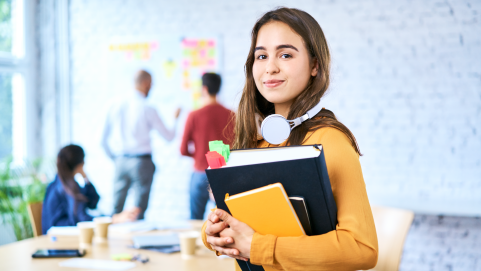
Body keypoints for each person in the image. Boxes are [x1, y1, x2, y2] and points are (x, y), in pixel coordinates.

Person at [202, 8, 378, 271]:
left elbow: (363, 250)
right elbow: (238, 226)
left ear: (315, 65)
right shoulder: (252, 141)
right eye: (261, 56)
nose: (270, 67)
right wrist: (213, 232)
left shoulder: (331, 141)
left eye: (285, 55)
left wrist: (258, 247)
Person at [101, 70, 180, 220]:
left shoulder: (114, 104)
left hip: (120, 160)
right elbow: (169, 137)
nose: (151, 87)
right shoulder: (147, 107)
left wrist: (116, 159)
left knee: (116, 212)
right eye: (151, 84)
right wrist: (175, 119)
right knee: (138, 212)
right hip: (142, 163)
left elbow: (102, 141)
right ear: (145, 83)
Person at [42, 145, 140, 234]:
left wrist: (85, 177)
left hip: (61, 238)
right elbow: (82, 219)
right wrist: (113, 219)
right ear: (80, 164)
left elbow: (93, 202)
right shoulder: (64, 188)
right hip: (60, 240)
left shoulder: (63, 184)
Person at [180, 73, 234, 220]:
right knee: (224, 220)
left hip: (199, 173)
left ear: (204, 89)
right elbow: (237, 148)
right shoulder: (232, 115)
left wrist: (200, 155)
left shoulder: (194, 115)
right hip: (222, 175)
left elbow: (183, 150)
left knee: (195, 219)